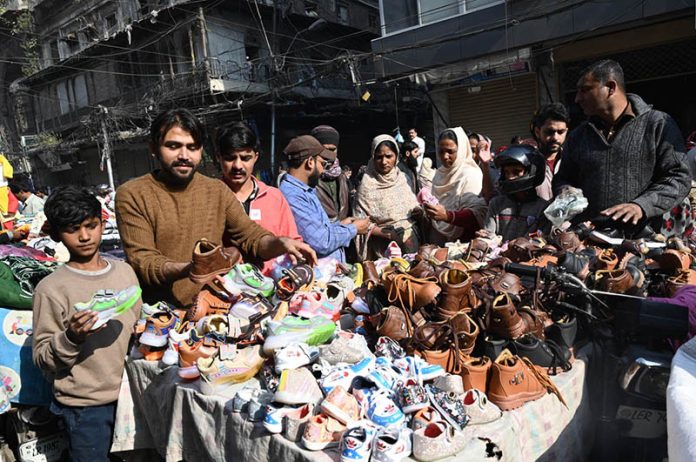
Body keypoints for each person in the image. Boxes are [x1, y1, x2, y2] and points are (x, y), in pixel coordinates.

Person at [115, 109, 315, 306]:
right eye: (173, 146)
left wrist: (281, 243)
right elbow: (144, 262)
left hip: (216, 306)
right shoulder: (133, 194)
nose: (184, 155)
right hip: (163, 316)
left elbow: (251, 236)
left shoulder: (216, 190)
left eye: (192, 147)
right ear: (154, 147)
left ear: (201, 150)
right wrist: (193, 268)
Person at [32, 186, 142, 461]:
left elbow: (138, 327)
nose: (84, 236)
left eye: (91, 226)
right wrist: (71, 337)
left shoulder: (125, 272)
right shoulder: (52, 288)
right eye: (73, 229)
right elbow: (43, 358)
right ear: (56, 235)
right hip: (85, 410)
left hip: (133, 398)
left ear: (102, 224)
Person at [554, 60, 691, 227]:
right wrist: (565, 190)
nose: (577, 99)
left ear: (611, 87)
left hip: (645, 241)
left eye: (585, 90)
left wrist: (642, 205)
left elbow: (679, 177)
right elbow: (563, 178)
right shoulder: (578, 136)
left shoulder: (657, 124)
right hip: (589, 242)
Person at [216, 122, 302, 274]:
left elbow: (293, 242)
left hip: (272, 287)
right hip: (225, 290)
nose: (237, 166)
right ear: (219, 157)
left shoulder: (274, 197)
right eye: (230, 158)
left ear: (256, 157)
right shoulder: (211, 199)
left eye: (245, 158)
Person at [279, 135, 369, 263]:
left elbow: (318, 231)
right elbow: (321, 242)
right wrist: (354, 229)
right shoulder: (292, 195)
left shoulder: (305, 190)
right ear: (310, 162)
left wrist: (340, 225)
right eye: (323, 164)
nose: (323, 170)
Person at [354, 135, 423, 260]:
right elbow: (359, 222)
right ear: (373, 158)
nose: (384, 161)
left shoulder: (403, 178)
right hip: (383, 249)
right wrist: (385, 234)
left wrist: (418, 212)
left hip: (410, 242)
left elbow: (412, 204)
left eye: (389, 156)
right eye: (379, 157)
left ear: (396, 156)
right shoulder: (366, 186)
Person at [426, 127, 487, 244]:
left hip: (465, 241)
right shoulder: (439, 174)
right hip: (439, 238)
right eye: (441, 151)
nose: (445, 156)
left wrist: (448, 216)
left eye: (450, 151)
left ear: (461, 150)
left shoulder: (471, 174)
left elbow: (477, 214)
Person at [483, 145, 550, 241]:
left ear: (532, 171)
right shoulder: (496, 204)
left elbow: (537, 242)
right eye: (506, 172)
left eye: (517, 172)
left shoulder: (543, 209)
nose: (510, 177)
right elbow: (488, 236)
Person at [311, 125, 352, 223]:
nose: (329, 155)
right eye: (324, 149)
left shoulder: (343, 178)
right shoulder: (307, 179)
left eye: (332, 150)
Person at [531, 103, 569, 201]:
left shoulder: (572, 160)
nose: (555, 138)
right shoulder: (528, 163)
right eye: (549, 132)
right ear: (537, 132)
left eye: (561, 132)